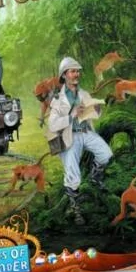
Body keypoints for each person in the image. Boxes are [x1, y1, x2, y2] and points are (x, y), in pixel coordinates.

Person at [45, 56, 113, 224]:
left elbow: (93, 115)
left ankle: (95, 177)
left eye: (77, 71)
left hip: (86, 132)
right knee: (73, 176)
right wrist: (72, 115)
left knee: (106, 154)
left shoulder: (84, 93)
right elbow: (52, 124)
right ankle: (76, 210)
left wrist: (97, 109)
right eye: (72, 71)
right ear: (64, 75)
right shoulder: (58, 99)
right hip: (69, 137)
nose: (76, 74)